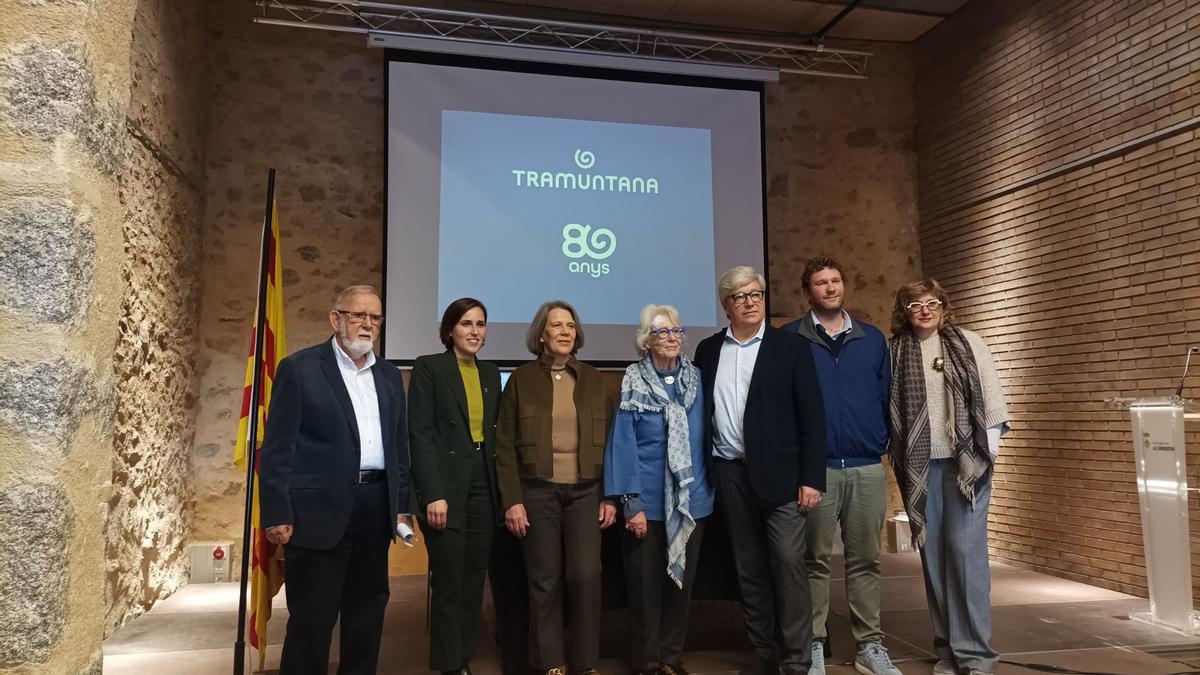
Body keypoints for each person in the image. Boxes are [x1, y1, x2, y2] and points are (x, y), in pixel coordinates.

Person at [259, 284, 411, 675]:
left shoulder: (390, 376)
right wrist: (276, 511)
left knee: (367, 616)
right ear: (336, 319)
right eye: (358, 315)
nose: (367, 325)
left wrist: (402, 508)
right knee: (312, 621)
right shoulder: (300, 369)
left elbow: (399, 450)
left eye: (374, 318)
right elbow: (278, 449)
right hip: (317, 514)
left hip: (376, 508)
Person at [692, 266, 827, 675]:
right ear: (725, 306)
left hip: (784, 479)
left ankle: (797, 660)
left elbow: (813, 417)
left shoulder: (791, 348)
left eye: (756, 294)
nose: (750, 302)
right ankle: (763, 654)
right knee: (748, 570)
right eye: (740, 296)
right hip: (730, 475)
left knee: (787, 566)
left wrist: (812, 478)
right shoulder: (708, 350)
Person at [782, 258, 899, 675]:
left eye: (835, 281)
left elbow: (886, 396)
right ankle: (813, 643)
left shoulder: (871, 339)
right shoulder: (790, 339)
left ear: (843, 286)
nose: (830, 288)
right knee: (813, 560)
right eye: (820, 283)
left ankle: (870, 645)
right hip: (818, 471)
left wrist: (881, 440)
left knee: (865, 560)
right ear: (808, 291)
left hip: (866, 466)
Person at [887, 278, 1009, 675]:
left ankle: (976, 655)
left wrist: (985, 454)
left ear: (943, 305)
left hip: (964, 468)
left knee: (967, 557)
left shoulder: (970, 343)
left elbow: (991, 398)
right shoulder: (895, 353)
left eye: (932, 302)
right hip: (921, 468)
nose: (925, 309)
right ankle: (948, 650)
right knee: (934, 561)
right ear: (904, 311)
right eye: (915, 304)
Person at [495, 300, 618, 675]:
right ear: (541, 335)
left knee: (585, 577)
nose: (564, 331)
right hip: (537, 493)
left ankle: (585, 664)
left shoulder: (596, 380)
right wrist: (512, 501)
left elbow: (614, 443)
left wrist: (610, 495)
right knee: (544, 580)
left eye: (569, 325)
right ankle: (552, 663)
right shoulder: (521, 380)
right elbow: (504, 445)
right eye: (556, 326)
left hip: (586, 493)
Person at [604, 305, 714, 675]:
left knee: (680, 588)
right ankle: (647, 662)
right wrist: (630, 502)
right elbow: (623, 445)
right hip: (646, 504)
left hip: (691, 502)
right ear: (646, 339)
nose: (671, 338)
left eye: (676, 331)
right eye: (662, 332)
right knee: (645, 589)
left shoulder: (696, 379)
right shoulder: (633, 380)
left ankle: (671, 657)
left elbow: (705, 440)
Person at [409, 298, 502, 675]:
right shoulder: (430, 367)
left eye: (480, 324)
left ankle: (462, 659)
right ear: (450, 330)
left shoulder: (491, 372)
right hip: (444, 486)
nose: (475, 331)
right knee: (449, 581)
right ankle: (448, 665)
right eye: (466, 324)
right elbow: (421, 434)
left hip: (483, 483)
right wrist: (433, 493)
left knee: (473, 579)